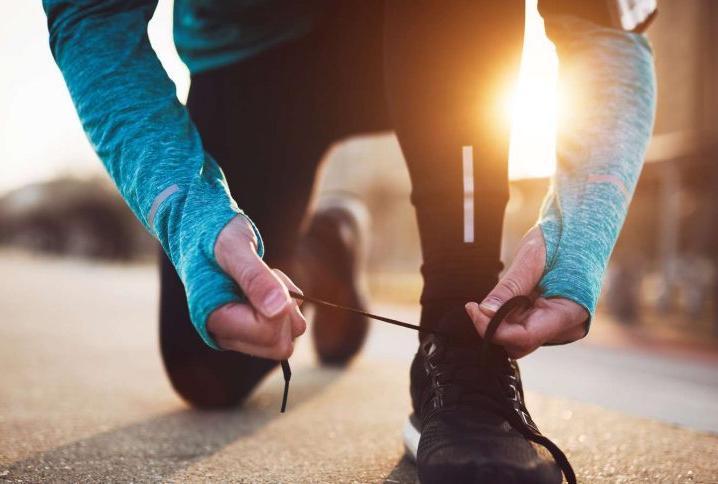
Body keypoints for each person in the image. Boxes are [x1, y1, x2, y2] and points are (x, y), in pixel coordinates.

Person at [41, 1, 656, 482]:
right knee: (207, 366)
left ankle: (461, 340)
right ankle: (321, 251)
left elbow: (609, 26)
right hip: (253, 52)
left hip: (443, 34)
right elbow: (90, 16)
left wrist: (581, 230)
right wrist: (193, 218)